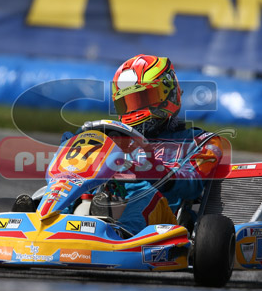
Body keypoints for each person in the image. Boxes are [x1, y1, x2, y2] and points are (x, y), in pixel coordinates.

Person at [14, 54, 223, 235]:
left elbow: (191, 185)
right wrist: (76, 148)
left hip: (162, 221)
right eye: (128, 103)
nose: (135, 110)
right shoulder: (114, 137)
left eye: (143, 99)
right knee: (66, 187)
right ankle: (37, 221)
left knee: (143, 195)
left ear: (168, 94)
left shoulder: (200, 141)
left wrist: (153, 169)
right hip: (100, 202)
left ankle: (118, 231)